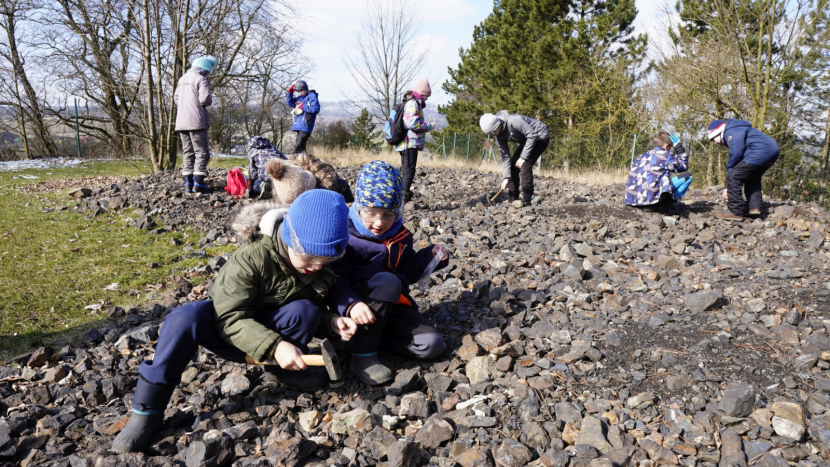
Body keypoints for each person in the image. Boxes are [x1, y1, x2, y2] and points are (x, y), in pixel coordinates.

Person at [111, 190, 358, 453]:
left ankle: (281, 371)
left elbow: (316, 310)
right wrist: (275, 346)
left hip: (271, 336)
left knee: (306, 310)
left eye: (325, 261)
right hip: (227, 330)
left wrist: (331, 322)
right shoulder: (252, 257)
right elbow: (229, 317)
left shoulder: (316, 264)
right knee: (184, 318)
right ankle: (146, 411)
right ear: (289, 237)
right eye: (309, 258)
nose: (317, 267)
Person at [328, 161, 448, 385]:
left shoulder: (400, 235)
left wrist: (430, 257)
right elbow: (334, 282)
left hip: (392, 307)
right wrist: (352, 304)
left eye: (388, 214)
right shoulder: (345, 235)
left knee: (432, 344)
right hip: (355, 309)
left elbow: (408, 272)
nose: (379, 222)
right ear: (358, 207)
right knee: (388, 282)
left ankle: (375, 339)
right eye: (371, 213)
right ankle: (362, 355)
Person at [707, 119, 780, 220]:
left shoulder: (731, 131)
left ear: (718, 132)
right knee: (752, 177)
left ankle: (735, 211)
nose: (715, 143)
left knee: (734, 176)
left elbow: (736, 154)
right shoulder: (739, 128)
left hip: (760, 151)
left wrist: (730, 173)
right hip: (772, 151)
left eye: (713, 139)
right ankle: (754, 207)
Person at [479, 111, 550, 206]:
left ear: (497, 125)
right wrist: (506, 177)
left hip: (539, 136)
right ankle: (513, 198)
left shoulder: (513, 121)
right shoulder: (498, 135)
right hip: (527, 140)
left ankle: (526, 201)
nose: (492, 135)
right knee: (513, 166)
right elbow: (505, 156)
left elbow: (532, 136)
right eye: (490, 134)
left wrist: (523, 157)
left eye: (493, 132)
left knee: (525, 165)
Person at [175, 55, 217, 194]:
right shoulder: (201, 79)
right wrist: (209, 101)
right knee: (201, 152)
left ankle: (188, 183)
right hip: (197, 121)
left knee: (188, 151)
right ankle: (199, 184)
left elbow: (176, 99)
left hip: (181, 122)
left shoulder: (182, 79)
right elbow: (205, 99)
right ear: (205, 69)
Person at [625, 131, 692, 211]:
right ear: (667, 146)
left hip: (631, 201)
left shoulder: (640, 157)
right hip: (651, 203)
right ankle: (669, 203)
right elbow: (684, 166)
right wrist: (679, 147)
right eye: (670, 147)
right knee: (687, 176)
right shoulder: (666, 155)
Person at [394, 78, 435, 203]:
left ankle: (402, 194)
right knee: (409, 170)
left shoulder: (411, 102)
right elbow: (411, 122)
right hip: (410, 143)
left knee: (406, 169)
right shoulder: (413, 103)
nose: (426, 99)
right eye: (426, 96)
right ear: (421, 93)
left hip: (408, 143)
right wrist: (428, 126)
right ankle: (403, 197)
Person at [286, 80, 320, 154]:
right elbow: (290, 103)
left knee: (298, 147)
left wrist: (303, 106)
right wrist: (290, 92)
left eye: (301, 90)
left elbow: (316, 109)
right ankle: (305, 163)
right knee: (301, 148)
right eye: (298, 91)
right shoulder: (300, 98)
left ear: (305, 89)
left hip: (305, 126)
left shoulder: (311, 96)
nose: (300, 93)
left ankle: (301, 162)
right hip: (299, 126)